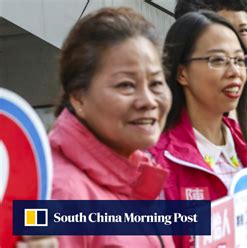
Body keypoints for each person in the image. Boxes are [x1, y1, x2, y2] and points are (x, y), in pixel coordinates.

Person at [49, 7, 173, 247]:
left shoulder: (142, 173)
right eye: (126, 85)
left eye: (156, 83)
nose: (148, 101)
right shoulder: (60, 195)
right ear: (78, 97)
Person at [149, 11, 247, 247]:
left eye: (240, 60)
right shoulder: (156, 163)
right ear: (182, 72)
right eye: (218, 60)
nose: (235, 72)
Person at [173, 0, 247, 155]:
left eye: (243, 30)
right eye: (217, 60)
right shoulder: (164, 149)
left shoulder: (244, 117)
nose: (233, 40)